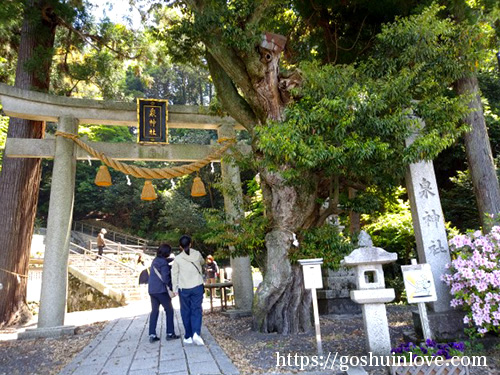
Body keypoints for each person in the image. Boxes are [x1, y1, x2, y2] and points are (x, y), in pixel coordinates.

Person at [172, 235, 205, 346]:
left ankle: (188, 336)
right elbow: (202, 263)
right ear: (190, 244)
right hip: (197, 286)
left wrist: (175, 288)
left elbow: (174, 274)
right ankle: (196, 333)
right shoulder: (197, 254)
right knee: (196, 309)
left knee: (186, 311)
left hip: (184, 288)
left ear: (180, 246)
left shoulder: (178, 259)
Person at [148, 244, 180, 343]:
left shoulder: (155, 260)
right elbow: (166, 278)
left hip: (152, 290)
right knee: (169, 310)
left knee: (154, 311)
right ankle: (170, 333)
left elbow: (163, 262)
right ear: (167, 252)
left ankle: (152, 334)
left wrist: (171, 260)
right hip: (161, 291)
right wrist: (172, 288)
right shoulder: (164, 263)